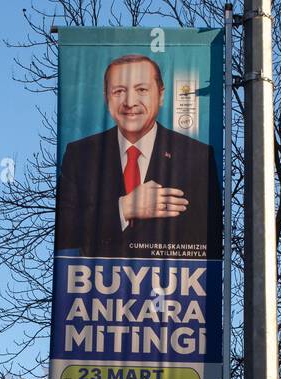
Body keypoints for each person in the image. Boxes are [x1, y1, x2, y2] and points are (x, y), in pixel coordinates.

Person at [55, 54, 222, 259]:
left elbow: (211, 241)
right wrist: (124, 208)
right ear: (106, 98)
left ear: (161, 95)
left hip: (172, 287)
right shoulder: (80, 156)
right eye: (118, 91)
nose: (130, 102)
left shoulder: (197, 157)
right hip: (98, 286)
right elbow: (65, 231)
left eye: (141, 90)